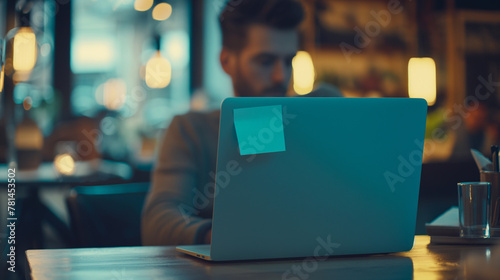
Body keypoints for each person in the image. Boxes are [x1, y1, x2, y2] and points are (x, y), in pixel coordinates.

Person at [141, 0, 306, 246]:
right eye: (265, 61)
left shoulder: (310, 122)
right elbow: (157, 223)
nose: (281, 76)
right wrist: (227, 239)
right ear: (226, 61)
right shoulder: (190, 130)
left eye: (288, 61)